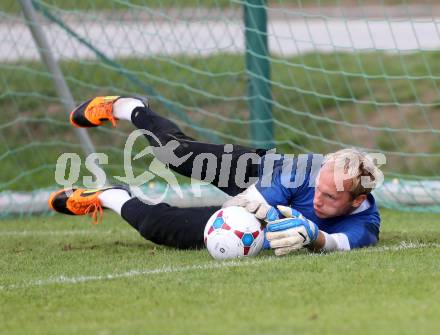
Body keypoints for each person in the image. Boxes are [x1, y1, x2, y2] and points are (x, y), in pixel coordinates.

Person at [48, 96, 382, 255]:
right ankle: (129, 108)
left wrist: (314, 236)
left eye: (331, 197)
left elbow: (340, 243)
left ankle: (109, 196)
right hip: (259, 172)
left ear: (358, 199)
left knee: (159, 228)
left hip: (267, 215)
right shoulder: (301, 172)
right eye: (318, 188)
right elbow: (252, 201)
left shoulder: (366, 223)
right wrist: (267, 217)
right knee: (174, 154)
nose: (318, 198)